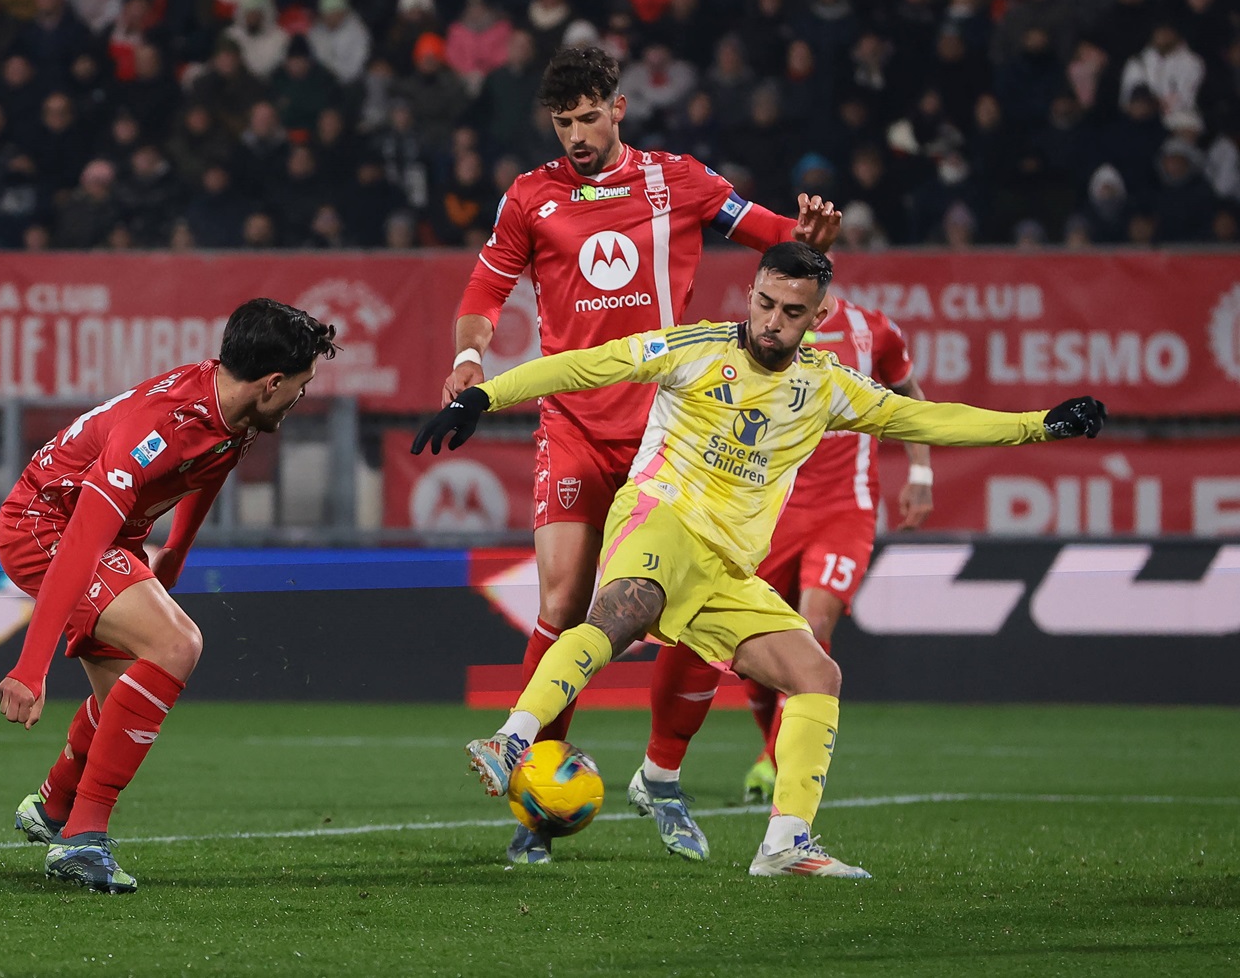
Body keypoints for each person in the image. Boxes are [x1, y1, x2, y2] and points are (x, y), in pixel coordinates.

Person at [417, 242, 1108, 879]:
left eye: (793, 312)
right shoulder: (695, 348)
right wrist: (484, 395)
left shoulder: (827, 386)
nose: (774, 321)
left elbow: (927, 418)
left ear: (818, 316)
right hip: (662, 515)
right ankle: (512, 740)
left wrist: (1039, 425)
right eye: (766, 303)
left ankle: (785, 842)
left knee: (816, 674)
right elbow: (584, 366)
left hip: (725, 568)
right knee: (624, 609)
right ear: (750, 294)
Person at [441, 43, 841, 864]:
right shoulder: (531, 196)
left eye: (590, 117)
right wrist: (471, 355)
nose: (577, 135)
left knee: (692, 610)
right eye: (564, 122)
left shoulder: (677, 180)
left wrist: (806, 233)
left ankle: (661, 773)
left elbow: (771, 235)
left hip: (672, 429)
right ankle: (535, 801)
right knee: (564, 604)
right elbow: (487, 287)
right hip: (574, 428)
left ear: (618, 109)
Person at [0, 298, 338, 893]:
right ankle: (81, 840)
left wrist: (176, 549)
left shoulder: (233, 408)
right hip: (45, 527)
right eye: (300, 386)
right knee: (176, 644)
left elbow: (209, 471)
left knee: (120, 700)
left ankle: (53, 807)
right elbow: (79, 543)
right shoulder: (159, 426)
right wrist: (31, 666)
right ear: (271, 383)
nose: (300, 398)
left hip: (111, 536)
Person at [646, 291, 934, 808]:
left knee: (813, 625)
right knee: (754, 647)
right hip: (771, 510)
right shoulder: (759, 331)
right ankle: (769, 748)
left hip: (844, 509)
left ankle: (774, 763)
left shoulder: (873, 331)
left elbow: (907, 392)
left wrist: (921, 471)